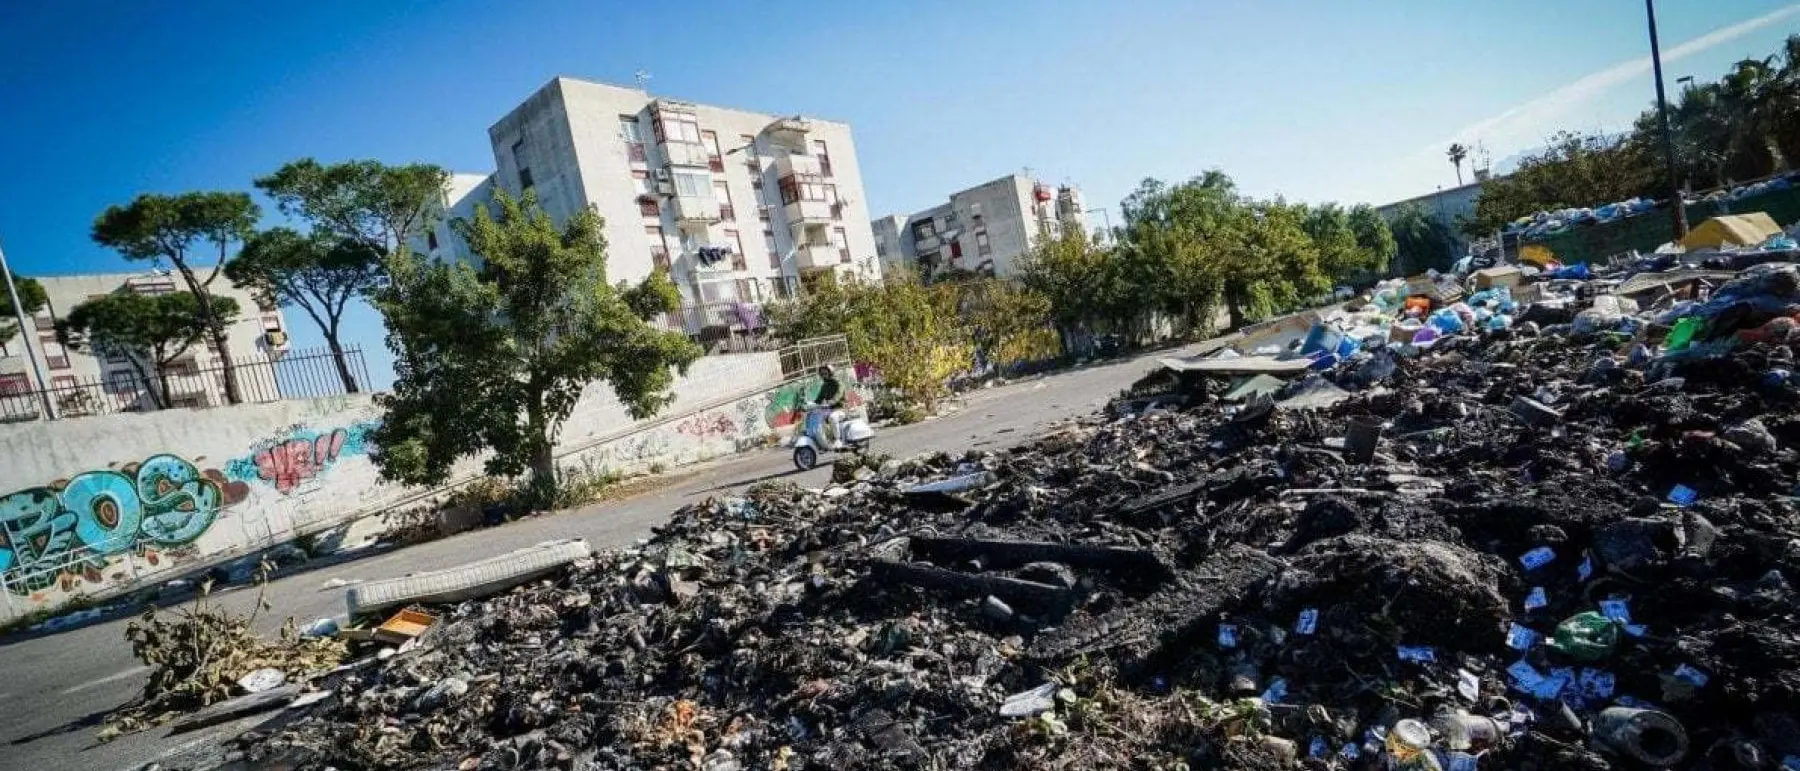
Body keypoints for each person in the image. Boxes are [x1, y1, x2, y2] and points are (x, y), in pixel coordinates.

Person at [806, 366, 843, 447]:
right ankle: (825, 440)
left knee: (832, 417)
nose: (823, 376)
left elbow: (838, 395)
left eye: (825, 373)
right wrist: (810, 404)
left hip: (841, 409)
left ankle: (838, 440)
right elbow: (818, 399)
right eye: (821, 374)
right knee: (817, 418)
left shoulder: (838, 383)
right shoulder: (824, 386)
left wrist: (831, 402)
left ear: (830, 373)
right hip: (829, 409)